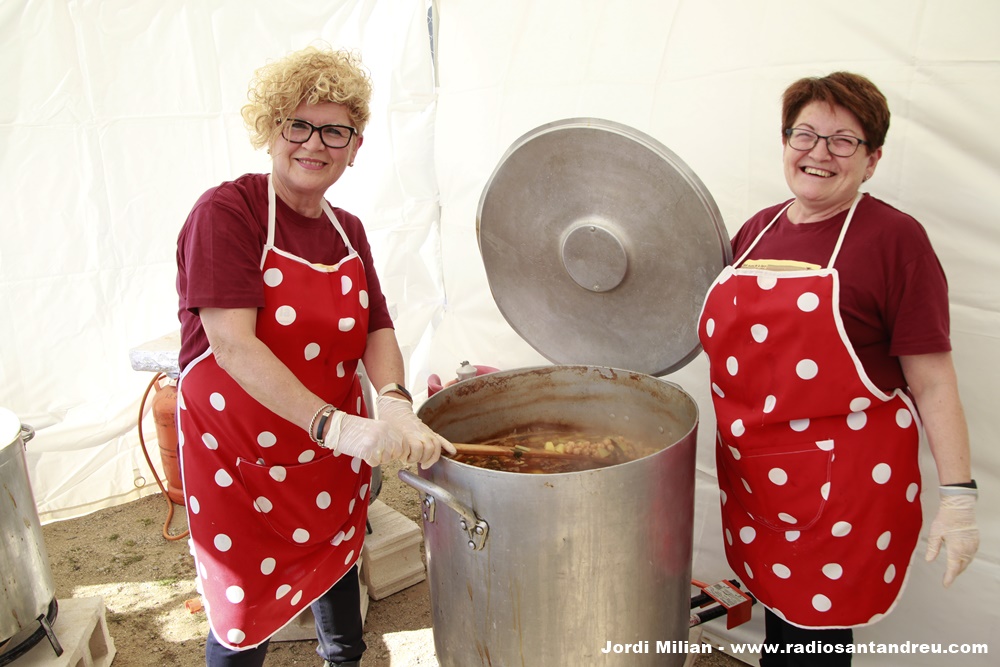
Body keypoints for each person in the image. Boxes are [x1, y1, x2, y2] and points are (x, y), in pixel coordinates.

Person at [175, 45, 454, 667]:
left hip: (327, 452)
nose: (314, 143)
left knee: (335, 556)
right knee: (243, 606)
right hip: (241, 455)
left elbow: (376, 326)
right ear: (271, 129)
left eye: (335, 131)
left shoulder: (347, 229)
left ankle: (344, 658)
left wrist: (394, 403)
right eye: (297, 125)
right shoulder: (229, 212)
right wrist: (335, 425)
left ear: (355, 146)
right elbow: (232, 343)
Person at [697, 72, 979, 665]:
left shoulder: (895, 241)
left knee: (813, 645)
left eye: (843, 140)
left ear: (872, 160)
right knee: (783, 627)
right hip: (759, 477)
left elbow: (932, 381)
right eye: (804, 134)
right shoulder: (757, 230)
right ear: (785, 142)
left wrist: (959, 495)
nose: (819, 153)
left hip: (845, 487)